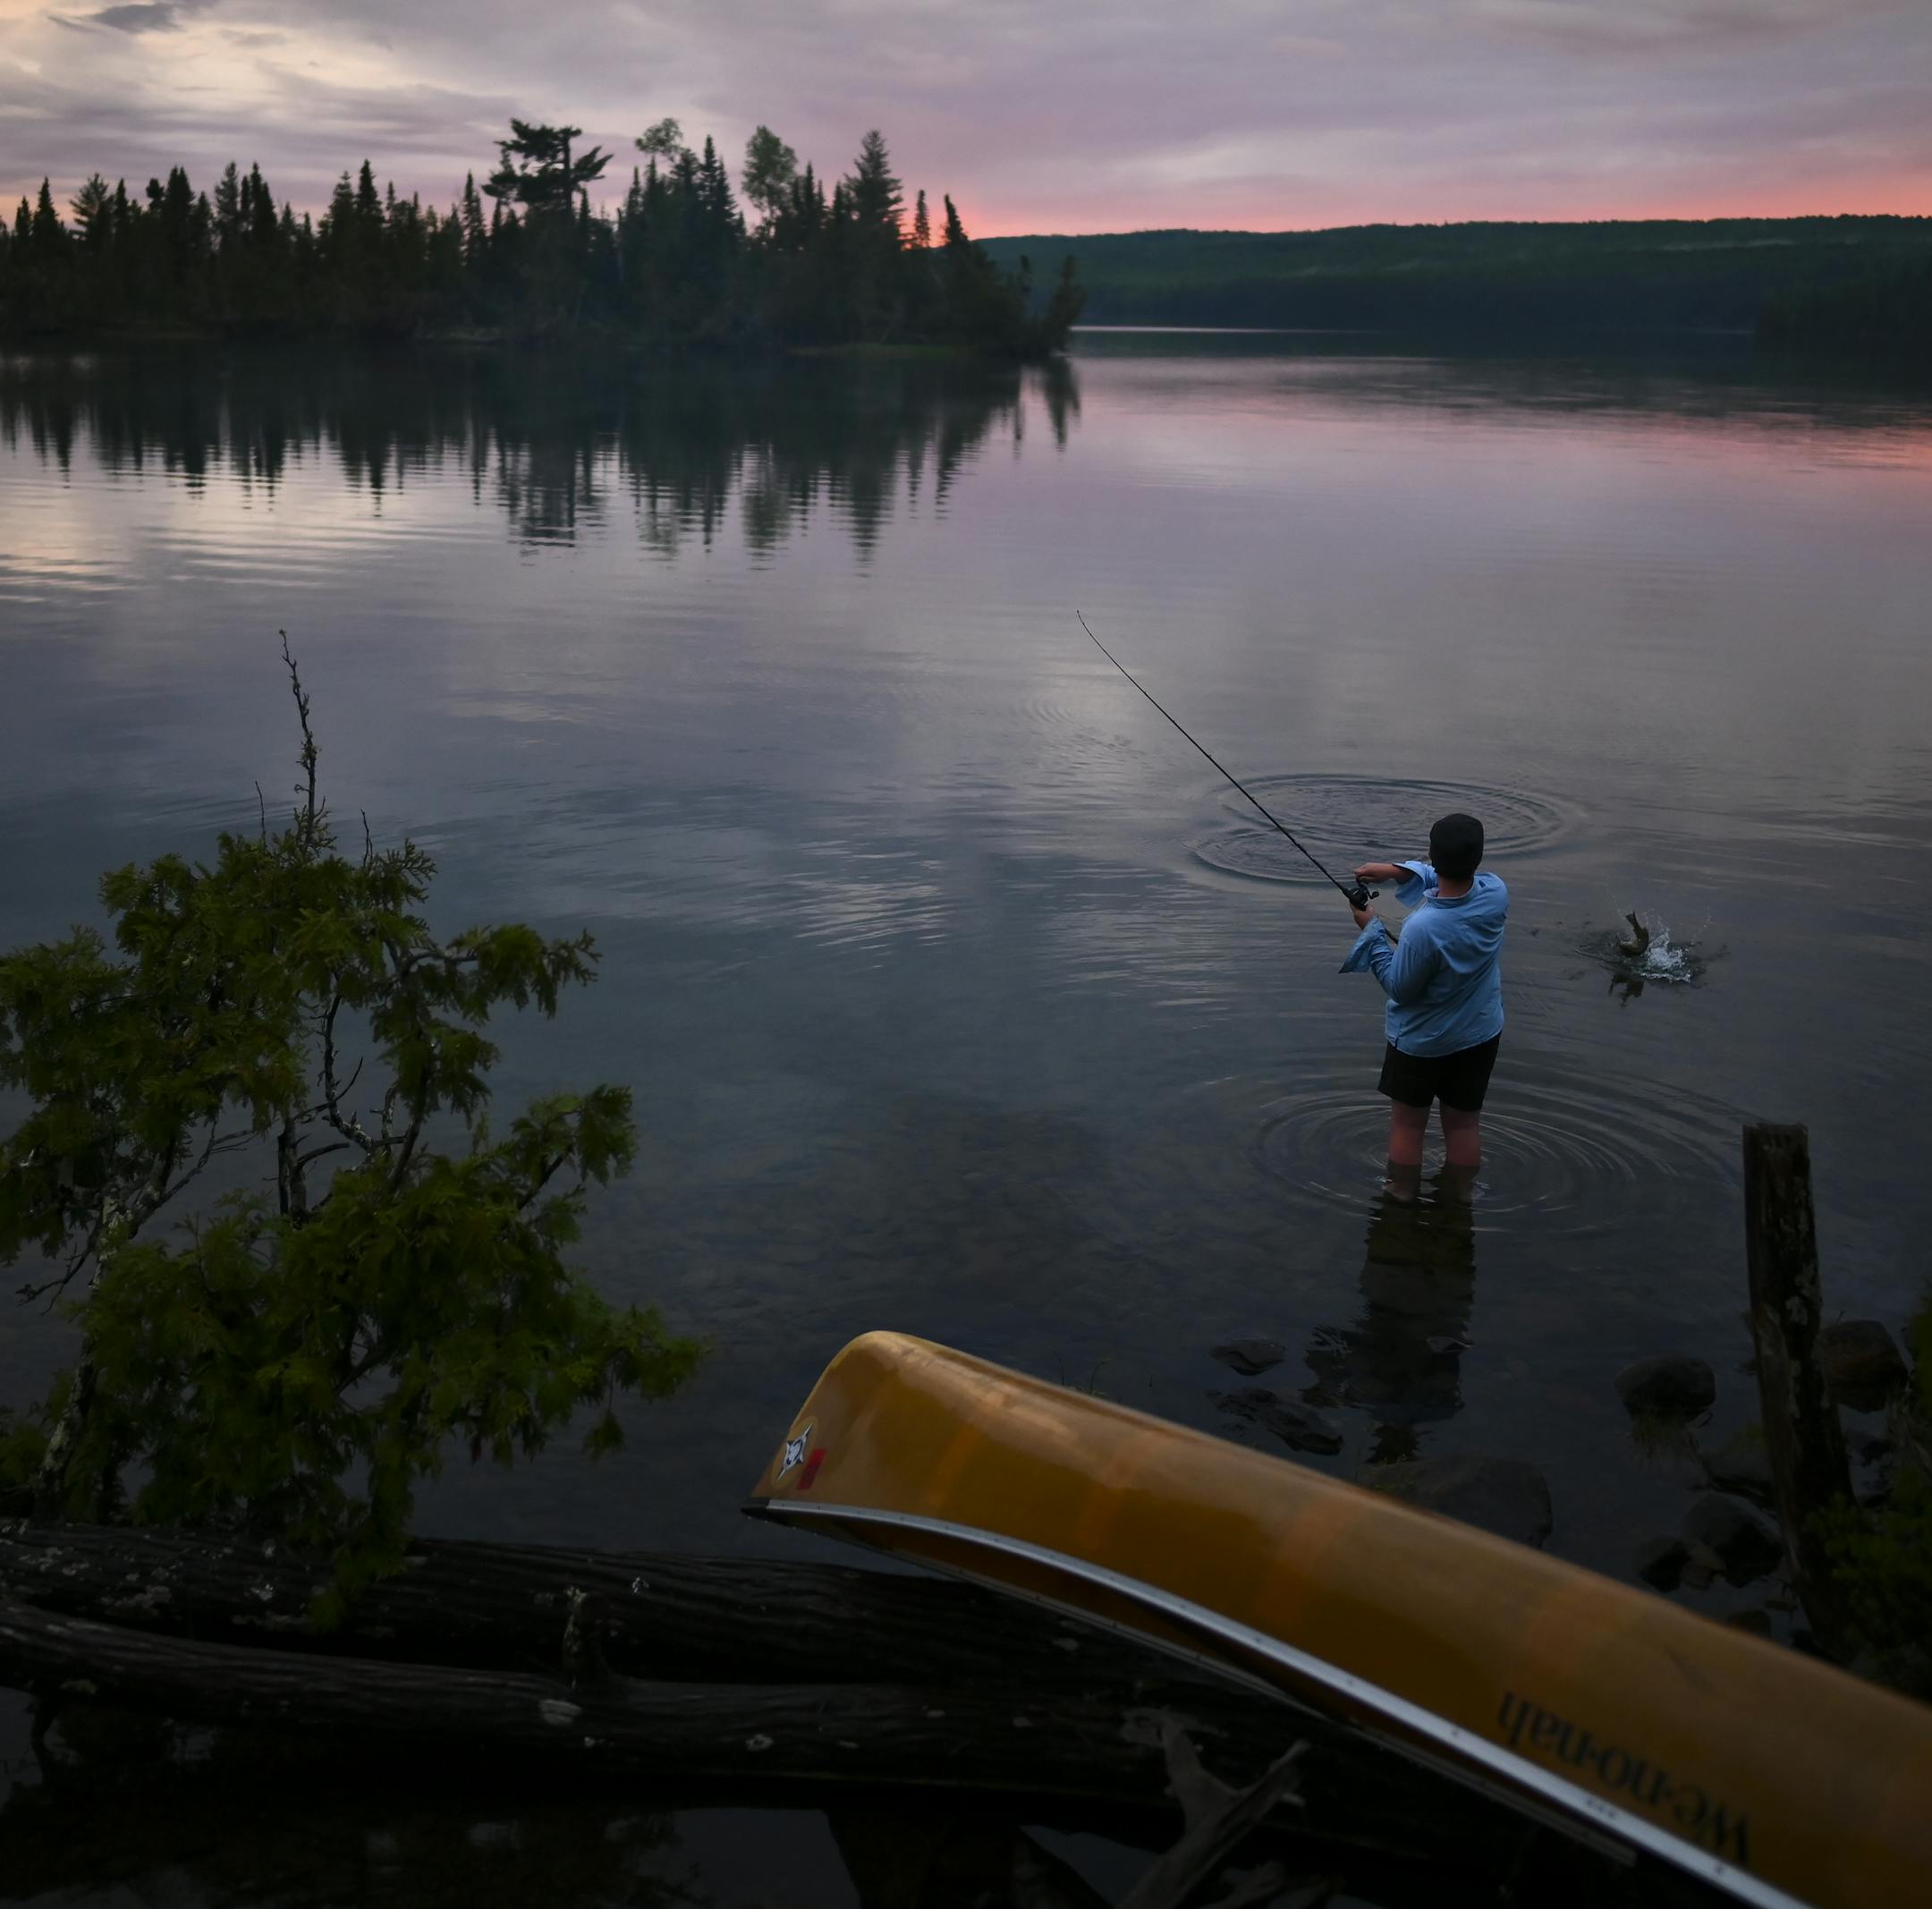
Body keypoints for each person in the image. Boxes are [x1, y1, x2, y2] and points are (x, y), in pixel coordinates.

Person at [1341, 812, 1506, 1200]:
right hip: (1480, 1035)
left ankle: (1400, 1200)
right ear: (1478, 859)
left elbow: (1400, 987)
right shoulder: (1496, 892)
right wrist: (1398, 872)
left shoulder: (1423, 928)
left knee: (1408, 1127)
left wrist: (1372, 932)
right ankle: (1460, 1199)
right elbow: (1449, 879)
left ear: (1432, 855)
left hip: (1422, 1043)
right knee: (1465, 1127)